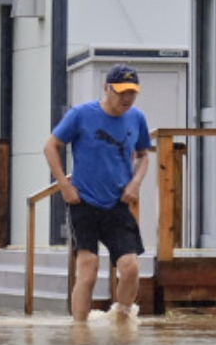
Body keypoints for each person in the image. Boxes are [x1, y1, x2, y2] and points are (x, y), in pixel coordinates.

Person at [43, 63, 151, 323]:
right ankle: (79, 329)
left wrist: (135, 182)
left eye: (132, 93)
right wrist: (64, 186)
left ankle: (122, 318)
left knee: (130, 268)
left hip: (117, 203)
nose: (126, 98)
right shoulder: (81, 115)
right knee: (88, 271)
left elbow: (144, 155)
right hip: (84, 202)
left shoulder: (137, 118)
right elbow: (50, 146)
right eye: (121, 92)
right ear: (106, 89)